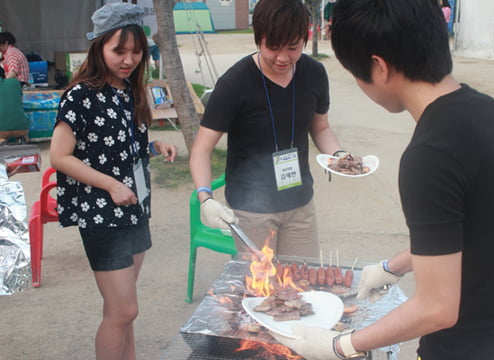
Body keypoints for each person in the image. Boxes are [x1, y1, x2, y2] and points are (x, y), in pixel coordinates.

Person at [271, 0, 494, 359]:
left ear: (379, 67)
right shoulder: (489, 112)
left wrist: (340, 345)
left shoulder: (429, 156)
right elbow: (475, 229)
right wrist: (391, 267)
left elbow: (437, 308)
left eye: (357, 72)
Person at [49, 3, 177, 359]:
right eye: (119, 51)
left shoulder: (129, 90)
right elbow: (60, 156)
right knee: (123, 311)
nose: (129, 59)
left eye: (136, 51)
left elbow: (124, 146)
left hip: (135, 209)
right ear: (99, 46)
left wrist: (155, 145)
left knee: (124, 310)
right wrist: (109, 185)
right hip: (101, 214)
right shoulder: (80, 95)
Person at [189, 0, 345, 258]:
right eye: (273, 48)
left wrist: (338, 156)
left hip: (300, 203)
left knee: (302, 283)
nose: (283, 58)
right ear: (258, 38)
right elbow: (201, 149)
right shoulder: (234, 83)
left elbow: (321, 128)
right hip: (251, 210)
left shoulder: (314, 73)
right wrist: (206, 197)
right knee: (260, 292)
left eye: (293, 47)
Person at [0, 77, 29, 145]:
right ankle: (22, 138)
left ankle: (2, 140)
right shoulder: (15, 82)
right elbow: (21, 102)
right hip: (22, 128)